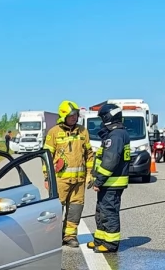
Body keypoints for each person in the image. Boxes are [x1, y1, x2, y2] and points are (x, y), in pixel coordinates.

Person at [43, 100, 94, 247]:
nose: (74, 117)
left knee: (76, 209)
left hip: (79, 181)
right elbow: (46, 157)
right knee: (56, 209)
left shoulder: (83, 131)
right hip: (60, 180)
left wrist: (90, 174)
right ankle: (54, 237)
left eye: (76, 115)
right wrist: (47, 177)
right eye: (71, 115)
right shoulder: (54, 132)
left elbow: (89, 154)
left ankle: (70, 236)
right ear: (63, 115)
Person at [86, 102, 130, 253]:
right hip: (109, 182)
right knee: (101, 211)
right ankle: (100, 239)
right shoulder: (116, 133)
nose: (102, 122)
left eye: (103, 118)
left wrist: (99, 180)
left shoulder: (116, 135)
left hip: (112, 182)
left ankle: (111, 244)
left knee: (109, 212)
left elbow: (110, 161)